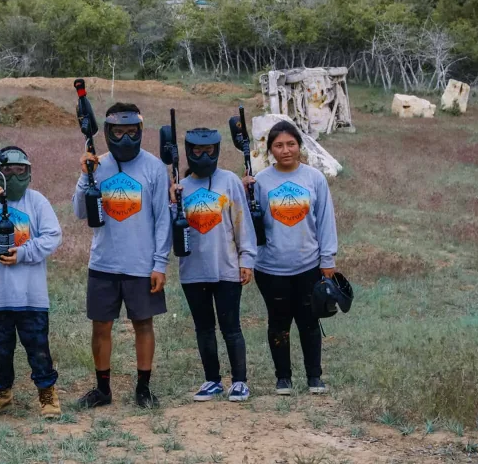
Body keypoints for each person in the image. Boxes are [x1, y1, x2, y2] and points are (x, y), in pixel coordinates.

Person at [73, 102, 171, 409]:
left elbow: (163, 220)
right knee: (101, 327)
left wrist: (160, 264)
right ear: (107, 132)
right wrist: (84, 176)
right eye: (119, 132)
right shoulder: (97, 165)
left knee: (143, 324)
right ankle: (103, 389)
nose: (126, 138)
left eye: (132, 132)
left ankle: (143, 388)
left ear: (141, 131)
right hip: (104, 262)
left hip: (141, 264)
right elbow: (79, 211)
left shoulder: (154, 167)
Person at [0, 147, 63, 419]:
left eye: (21, 171)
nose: (15, 176)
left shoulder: (37, 201)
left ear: (29, 173)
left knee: (38, 348)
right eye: (8, 171)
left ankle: (47, 394)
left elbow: (54, 236)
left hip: (31, 296)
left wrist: (24, 253)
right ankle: (2, 391)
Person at [243, 120, 338, 396]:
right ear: (270, 150)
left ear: (300, 145)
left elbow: (325, 222)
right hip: (270, 267)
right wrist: (242, 188)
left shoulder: (314, 179)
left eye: (291, 144)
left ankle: (314, 377)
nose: (286, 150)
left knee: (309, 321)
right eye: (279, 145)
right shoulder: (260, 182)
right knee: (278, 322)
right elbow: (248, 223)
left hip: (308, 265)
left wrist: (327, 260)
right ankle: (283, 378)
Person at [170, 128, 257, 403]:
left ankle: (240, 382)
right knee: (204, 327)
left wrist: (247, 259)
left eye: (209, 151)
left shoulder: (229, 181)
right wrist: (172, 200)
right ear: (188, 151)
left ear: (217, 151)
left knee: (231, 326)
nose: (204, 156)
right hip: (192, 271)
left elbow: (242, 222)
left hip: (227, 267)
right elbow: (171, 229)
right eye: (197, 151)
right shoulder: (181, 187)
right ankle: (212, 380)